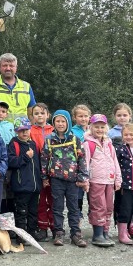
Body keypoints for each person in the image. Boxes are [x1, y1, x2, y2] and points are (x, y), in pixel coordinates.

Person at [41, 109, 88, 247]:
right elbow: (44, 159)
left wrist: (82, 177)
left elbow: (82, 159)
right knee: (57, 207)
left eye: (63, 121)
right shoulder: (49, 140)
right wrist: (44, 177)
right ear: (53, 122)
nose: (60, 124)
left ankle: (76, 233)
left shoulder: (75, 140)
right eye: (57, 121)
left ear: (68, 122)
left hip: (73, 180)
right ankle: (59, 233)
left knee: (74, 208)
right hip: (56, 179)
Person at [82, 114, 122, 247]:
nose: (99, 129)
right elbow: (85, 163)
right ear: (91, 128)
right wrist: (85, 180)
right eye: (96, 127)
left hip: (109, 180)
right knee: (99, 206)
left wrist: (118, 178)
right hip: (95, 180)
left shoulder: (109, 144)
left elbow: (114, 162)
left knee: (109, 207)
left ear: (106, 128)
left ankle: (105, 231)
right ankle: (97, 234)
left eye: (102, 127)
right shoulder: (88, 144)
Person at [108, 103, 133, 238]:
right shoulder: (111, 132)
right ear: (115, 117)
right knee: (121, 201)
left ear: (130, 116)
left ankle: (132, 225)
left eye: (125, 115)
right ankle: (121, 226)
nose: (122, 118)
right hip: (120, 173)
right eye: (119, 115)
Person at [7, 117, 43, 241]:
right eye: (21, 130)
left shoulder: (33, 143)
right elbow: (11, 162)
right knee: (21, 211)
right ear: (16, 131)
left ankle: (32, 232)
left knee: (33, 211)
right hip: (21, 186)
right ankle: (21, 235)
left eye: (26, 129)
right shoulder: (14, 144)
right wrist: (26, 157)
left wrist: (41, 180)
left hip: (34, 186)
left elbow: (38, 164)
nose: (24, 133)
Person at [0, 53, 37, 123]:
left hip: (22, 131)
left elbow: (31, 114)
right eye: (5, 65)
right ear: (0, 67)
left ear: (16, 67)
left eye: (11, 66)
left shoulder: (26, 87)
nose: (8, 68)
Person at [30, 103, 54, 240]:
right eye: (36, 113)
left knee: (54, 199)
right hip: (37, 170)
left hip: (53, 170)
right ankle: (42, 227)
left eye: (42, 113)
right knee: (41, 201)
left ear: (47, 115)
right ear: (32, 116)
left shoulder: (54, 129)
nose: (40, 115)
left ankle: (55, 227)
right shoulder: (30, 131)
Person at [70, 104, 92, 217]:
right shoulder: (72, 131)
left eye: (86, 116)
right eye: (80, 116)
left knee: (93, 196)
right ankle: (77, 221)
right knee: (77, 196)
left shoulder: (94, 129)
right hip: (77, 168)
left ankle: (96, 223)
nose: (83, 119)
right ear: (74, 117)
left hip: (92, 167)